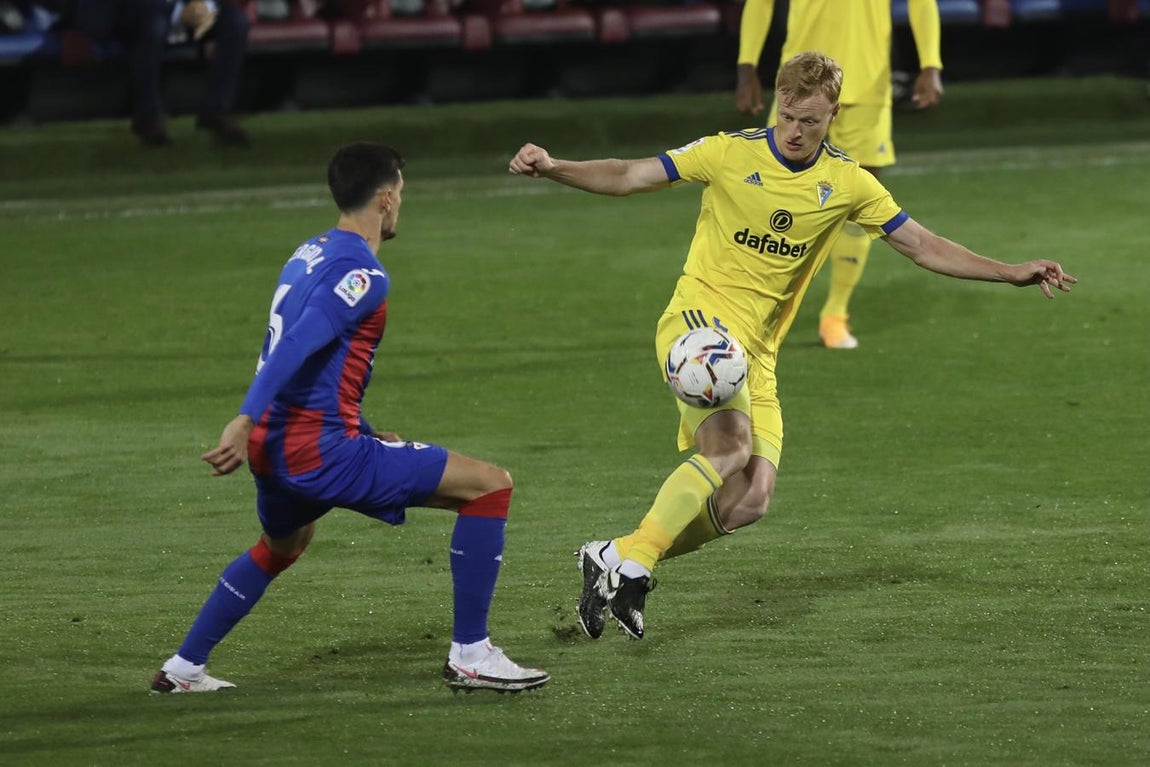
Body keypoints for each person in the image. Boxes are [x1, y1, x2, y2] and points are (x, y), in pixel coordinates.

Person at [509, 52, 1075, 641]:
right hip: (700, 324)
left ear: (834, 114)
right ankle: (637, 568)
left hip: (759, 351)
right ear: (777, 103)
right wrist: (554, 167)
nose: (796, 131)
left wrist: (1009, 271)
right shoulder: (728, 153)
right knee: (729, 448)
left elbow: (922, 245)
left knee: (750, 499)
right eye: (787, 116)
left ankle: (615, 554)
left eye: (810, 120)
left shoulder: (848, 183)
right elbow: (630, 175)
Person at [150, 142, 549, 694]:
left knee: (283, 545)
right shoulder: (364, 273)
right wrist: (242, 418)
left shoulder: (308, 252)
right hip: (315, 449)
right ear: (385, 199)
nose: (401, 203)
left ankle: (183, 668)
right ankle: (472, 655)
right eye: (401, 193)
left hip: (277, 444)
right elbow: (297, 343)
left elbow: (315, 362)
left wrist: (355, 427)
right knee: (489, 487)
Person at [736, 0, 945, 349]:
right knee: (768, 198)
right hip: (799, 85)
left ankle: (835, 314)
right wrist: (747, 67)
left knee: (860, 204)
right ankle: (752, 310)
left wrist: (930, 63)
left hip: (867, 82)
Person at [66, 0, 251, 147]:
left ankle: (217, 111)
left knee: (234, 22)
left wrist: (205, 6)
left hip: (178, 10)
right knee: (154, 23)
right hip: (122, 9)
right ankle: (149, 115)